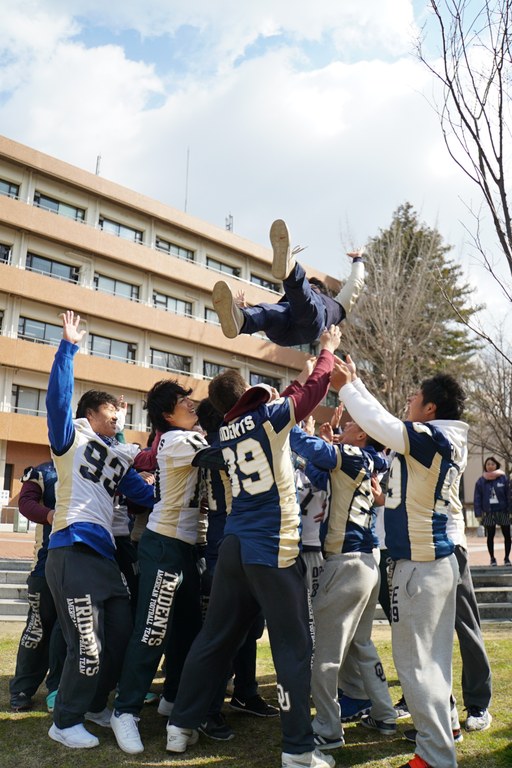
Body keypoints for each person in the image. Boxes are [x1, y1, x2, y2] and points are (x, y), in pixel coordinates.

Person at [166, 325, 342, 768]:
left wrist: (303, 375)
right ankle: (299, 749)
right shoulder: (270, 416)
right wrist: (326, 351)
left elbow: (294, 395)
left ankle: (179, 726)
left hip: (233, 545)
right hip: (274, 546)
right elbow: (315, 390)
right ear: (248, 392)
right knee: (292, 647)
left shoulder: (222, 433)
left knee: (214, 637)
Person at [333, 359, 468, 768]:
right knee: (433, 662)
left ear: (431, 408)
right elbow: (388, 422)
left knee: (415, 666)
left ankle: (434, 755)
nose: (409, 401)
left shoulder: (430, 438)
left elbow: (384, 426)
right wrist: (355, 383)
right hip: (436, 565)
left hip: (421, 568)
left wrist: (346, 388)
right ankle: (444, 733)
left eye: (415, 397)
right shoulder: (442, 437)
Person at [44, 310, 156, 750]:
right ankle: (64, 720)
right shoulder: (71, 436)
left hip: (106, 558)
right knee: (86, 646)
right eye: (112, 409)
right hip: (72, 549)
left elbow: (144, 496)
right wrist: (68, 348)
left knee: (120, 638)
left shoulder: (114, 454)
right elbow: (57, 400)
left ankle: (92, 705)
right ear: (92, 412)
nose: (118, 414)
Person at [111, 378, 210, 754]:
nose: (192, 404)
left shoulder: (190, 437)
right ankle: (126, 710)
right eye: (183, 401)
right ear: (167, 414)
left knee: (188, 630)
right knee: (151, 628)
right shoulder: (176, 441)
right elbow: (218, 455)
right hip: (163, 546)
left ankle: (171, 697)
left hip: (186, 548)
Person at [290, 421, 396, 751]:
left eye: (350, 425)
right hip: (367, 560)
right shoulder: (370, 459)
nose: (343, 428)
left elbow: (306, 446)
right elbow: (321, 474)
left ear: (362, 436)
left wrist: (287, 414)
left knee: (325, 654)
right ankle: (385, 713)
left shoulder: (351, 455)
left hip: (345, 562)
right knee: (362, 645)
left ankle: (328, 728)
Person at [213, 219, 364, 345]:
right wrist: (246, 310)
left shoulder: (336, 306)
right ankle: (242, 320)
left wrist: (358, 259)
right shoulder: (289, 304)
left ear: (319, 289)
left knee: (303, 298)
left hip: (310, 323)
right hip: (286, 332)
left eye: (310, 285)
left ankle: (291, 268)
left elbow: (355, 283)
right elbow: (355, 283)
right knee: (268, 313)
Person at [9, 462, 66, 714]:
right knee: (37, 626)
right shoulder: (43, 472)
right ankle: (22, 689)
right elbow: (26, 503)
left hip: (78, 565)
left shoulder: (91, 466)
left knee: (67, 628)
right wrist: (49, 515)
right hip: (44, 564)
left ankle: (58, 687)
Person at [474, 456, 511, 566]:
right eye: (488, 464)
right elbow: (477, 498)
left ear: (497, 465)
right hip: (489, 512)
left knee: (507, 535)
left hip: (503, 511)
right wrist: (478, 513)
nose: (490, 466)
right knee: (490, 536)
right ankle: (492, 559)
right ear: (485, 466)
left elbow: (509, 495)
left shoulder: (503, 479)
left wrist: (510, 510)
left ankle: (507, 558)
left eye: (492, 464)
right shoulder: (481, 481)